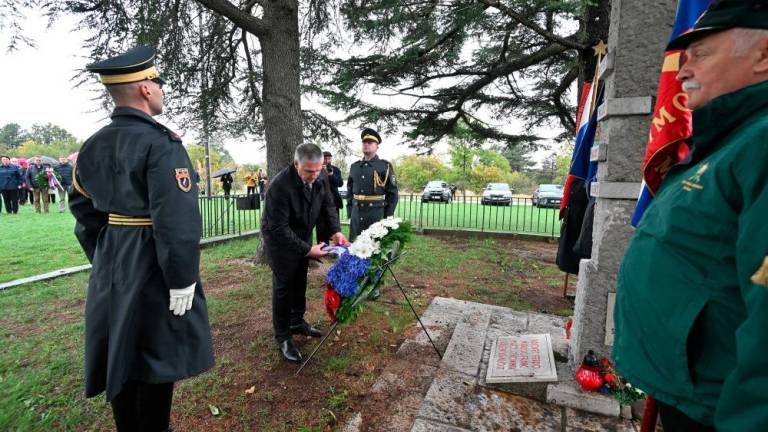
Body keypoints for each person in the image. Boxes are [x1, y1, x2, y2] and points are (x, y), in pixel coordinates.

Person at [613, 3, 768, 431]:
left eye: (700, 53)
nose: (682, 72)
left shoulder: (760, 145)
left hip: (721, 407)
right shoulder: (728, 141)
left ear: (763, 56)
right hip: (687, 389)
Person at [71, 45, 214, 431]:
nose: (162, 90)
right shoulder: (162, 144)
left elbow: (83, 211)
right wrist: (182, 277)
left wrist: (107, 253)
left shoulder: (92, 145)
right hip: (154, 262)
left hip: (113, 260)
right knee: (155, 353)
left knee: (119, 345)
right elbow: (176, 221)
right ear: (146, 89)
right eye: (158, 82)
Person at [261, 143, 349, 363]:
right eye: (309, 171)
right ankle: (283, 336)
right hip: (281, 243)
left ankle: (297, 321)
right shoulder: (278, 186)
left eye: (318, 171)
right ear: (296, 164)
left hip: (304, 238)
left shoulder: (320, 177)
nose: (314, 176)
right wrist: (307, 249)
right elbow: (278, 228)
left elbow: (328, 205)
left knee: (300, 280)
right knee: (284, 287)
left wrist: (336, 232)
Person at [347, 128, 399, 299]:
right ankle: (355, 283)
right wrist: (350, 211)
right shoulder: (355, 167)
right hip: (357, 214)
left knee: (375, 251)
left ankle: (374, 285)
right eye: (364, 142)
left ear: (377, 146)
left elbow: (392, 194)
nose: (367, 145)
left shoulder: (384, 166)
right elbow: (349, 191)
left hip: (375, 215)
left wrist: (386, 218)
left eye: (370, 142)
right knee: (356, 249)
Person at [316, 150, 344, 244]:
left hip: (334, 202)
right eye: (325, 158)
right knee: (321, 229)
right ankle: (322, 248)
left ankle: (335, 249)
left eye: (329, 158)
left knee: (334, 227)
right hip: (319, 203)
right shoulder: (316, 169)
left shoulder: (335, 170)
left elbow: (340, 183)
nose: (327, 161)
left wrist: (331, 175)